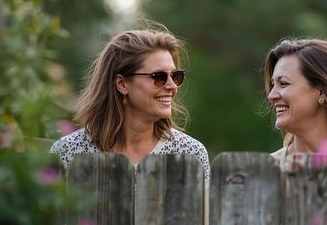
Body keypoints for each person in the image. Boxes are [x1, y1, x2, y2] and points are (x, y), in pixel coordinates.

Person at [50, 26, 210, 185]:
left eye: (175, 76)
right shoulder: (69, 152)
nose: (172, 86)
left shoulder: (190, 153)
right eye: (159, 77)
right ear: (122, 84)